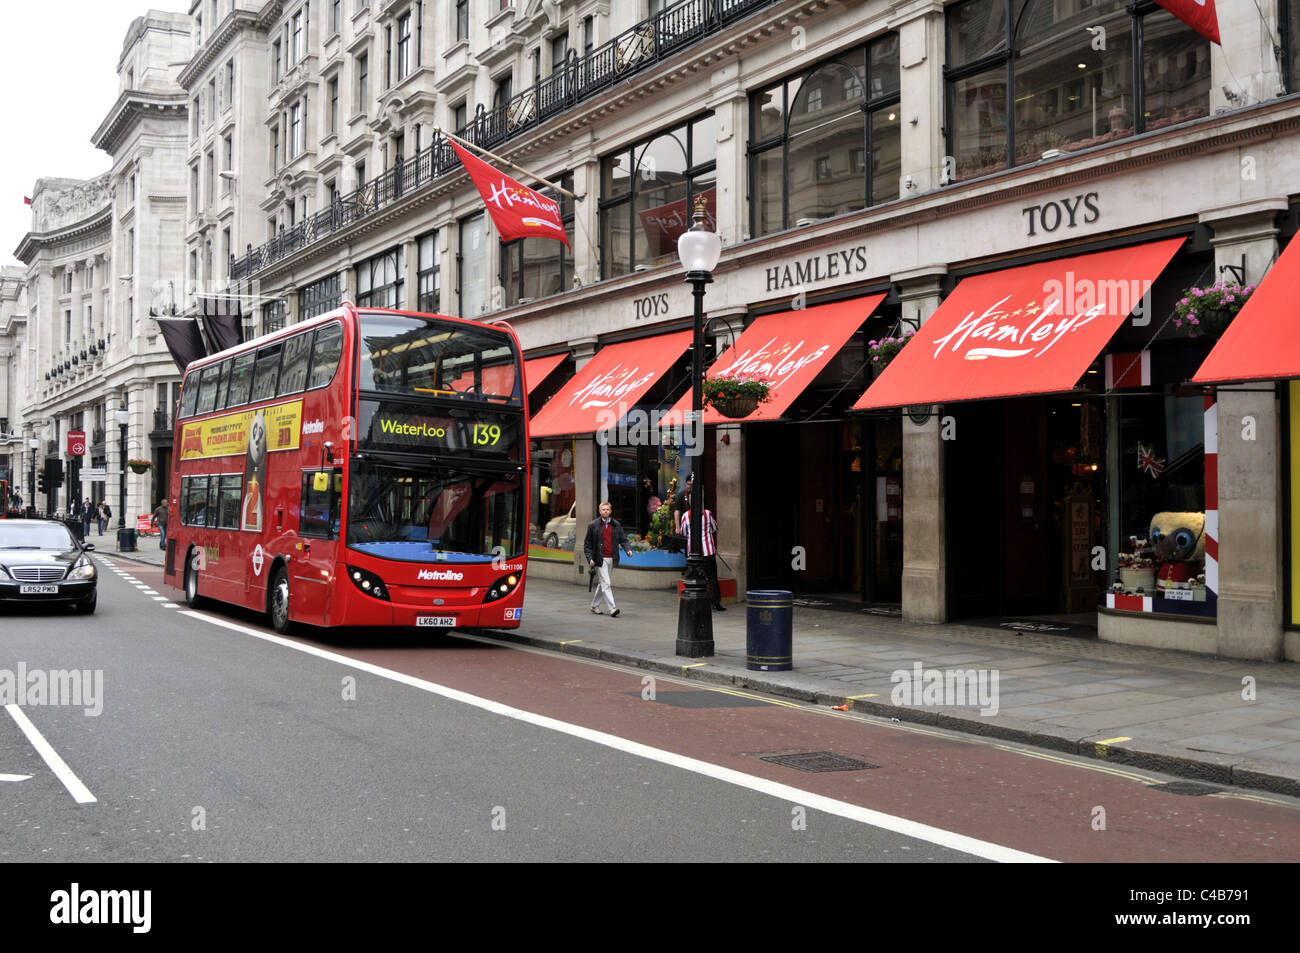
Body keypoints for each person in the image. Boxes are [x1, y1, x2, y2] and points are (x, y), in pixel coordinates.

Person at [583, 501, 633, 617]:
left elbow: (623, 539)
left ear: (610, 511)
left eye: (607, 509)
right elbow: (587, 544)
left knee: (602, 583)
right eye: (603, 509)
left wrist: (628, 549)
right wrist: (590, 558)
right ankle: (612, 608)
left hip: (612, 558)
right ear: (600, 511)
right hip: (600, 559)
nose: (605, 511)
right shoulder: (593, 525)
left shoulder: (616, 524)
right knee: (606, 583)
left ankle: (594, 605)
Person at [680, 494, 725, 611]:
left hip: (694, 553)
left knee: (697, 577)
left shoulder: (686, 516)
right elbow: (715, 527)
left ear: (690, 503)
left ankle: (700, 602)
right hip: (708, 550)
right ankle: (716, 602)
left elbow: (684, 532)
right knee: (712, 577)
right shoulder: (707, 513)